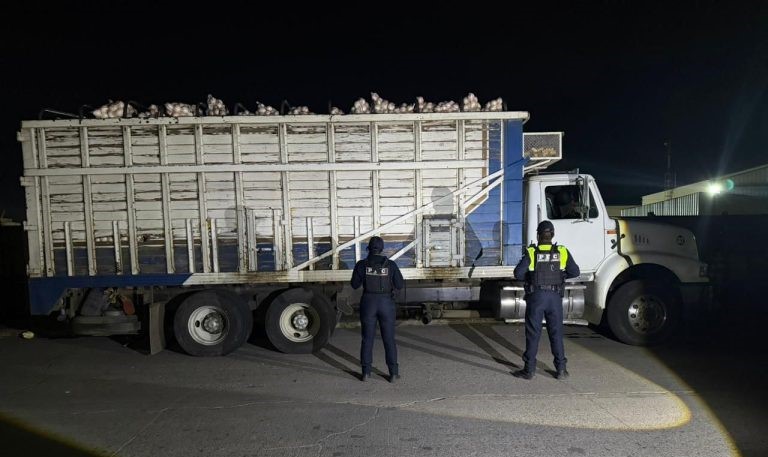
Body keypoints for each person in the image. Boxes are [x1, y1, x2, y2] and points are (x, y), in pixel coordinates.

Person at [513, 220, 580, 380]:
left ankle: (529, 370)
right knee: (556, 334)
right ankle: (561, 370)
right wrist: (561, 275)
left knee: (533, 334)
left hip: (536, 297)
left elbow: (518, 273)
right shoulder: (562, 251)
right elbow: (574, 271)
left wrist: (531, 276)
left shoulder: (532, 252)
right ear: (553, 235)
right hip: (555, 298)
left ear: (538, 235)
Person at [351, 236, 405, 383]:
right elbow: (399, 285)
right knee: (389, 339)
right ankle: (393, 373)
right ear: (382, 249)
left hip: (368, 303)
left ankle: (366, 372)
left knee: (367, 339)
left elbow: (354, 285)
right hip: (386, 303)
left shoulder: (362, 264)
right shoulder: (391, 265)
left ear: (368, 248)